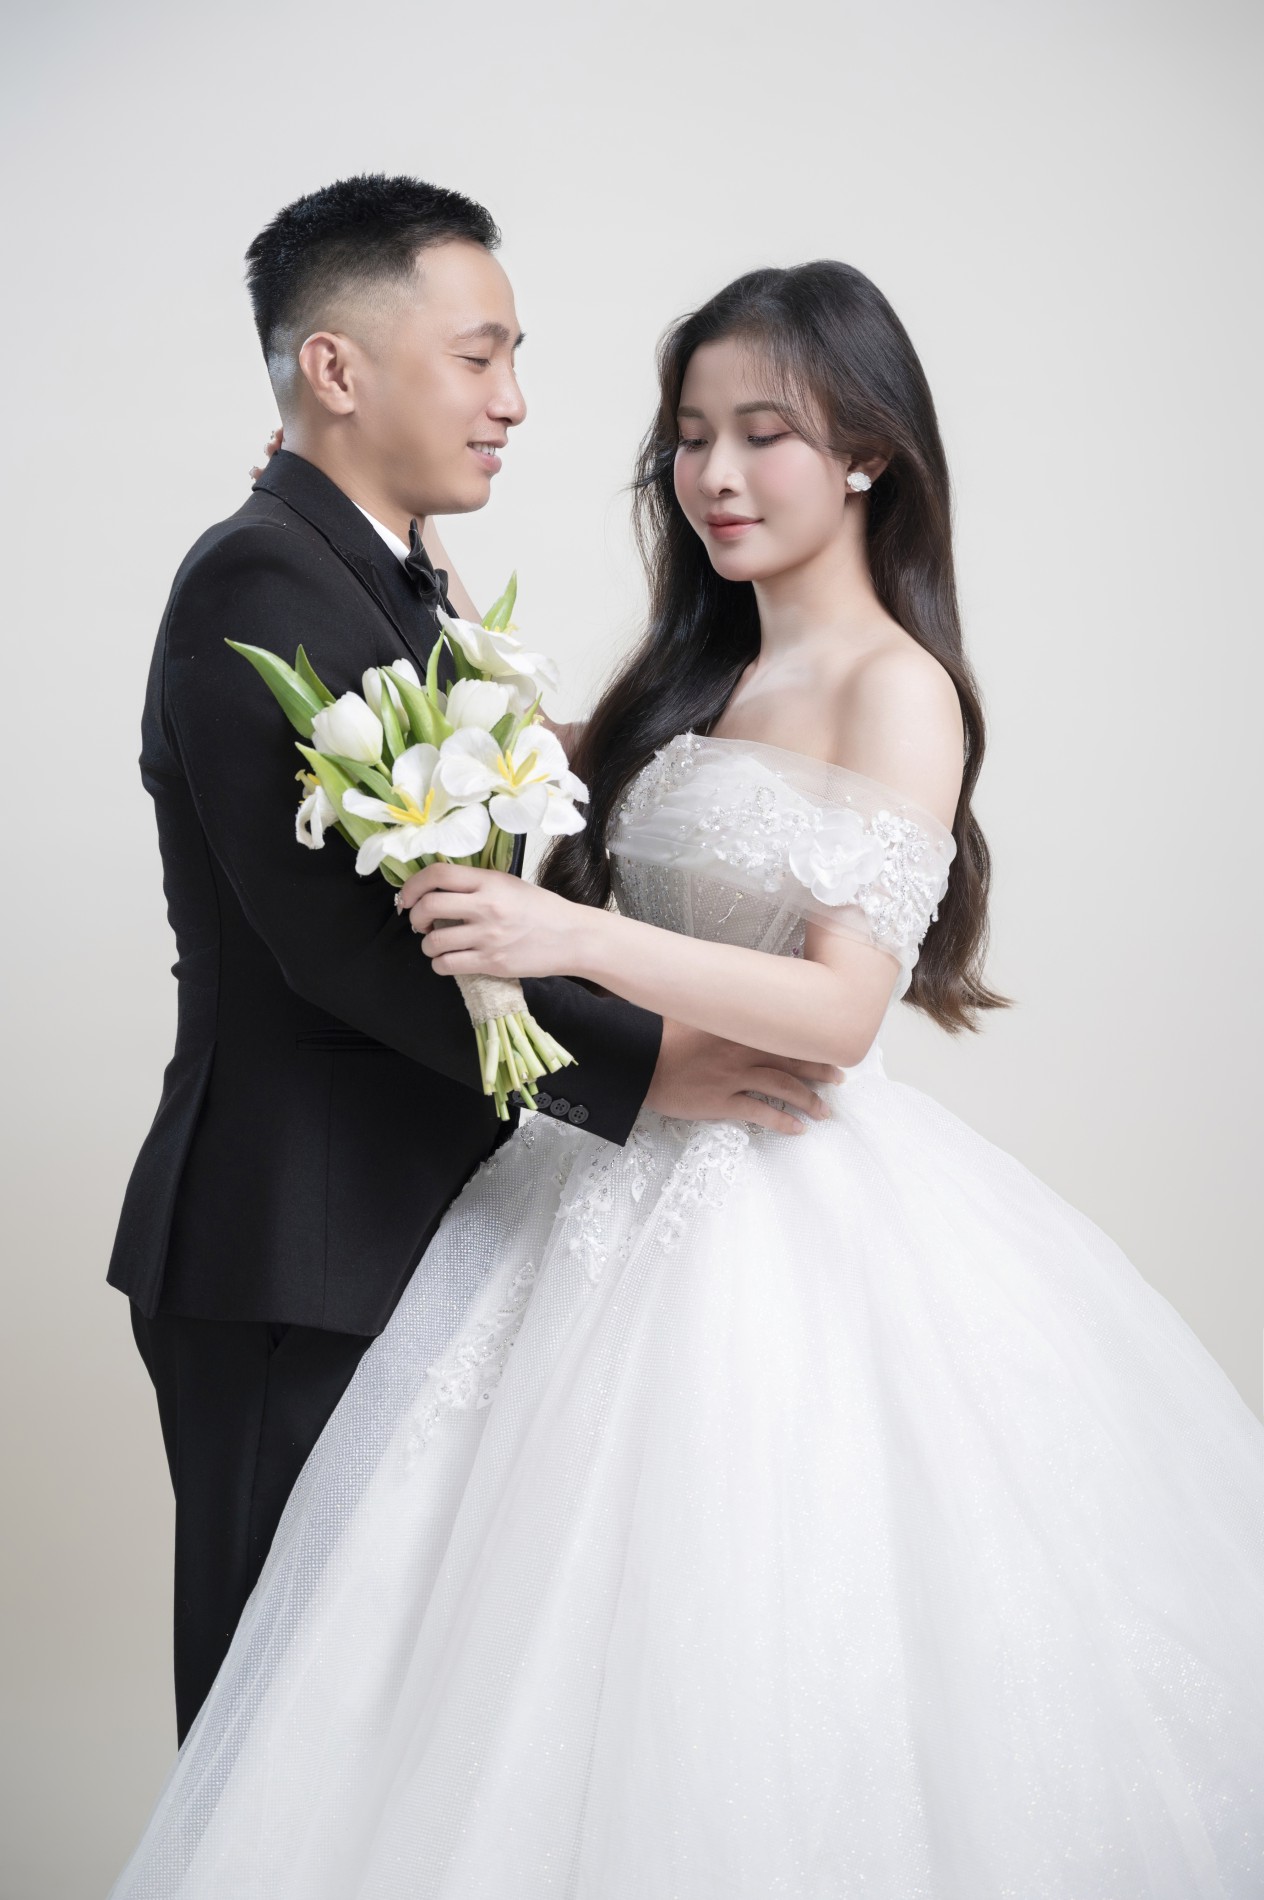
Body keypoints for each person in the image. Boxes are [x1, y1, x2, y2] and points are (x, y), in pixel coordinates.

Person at [111, 261, 1264, 1898]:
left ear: (867, 452)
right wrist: (382, 573)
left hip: (772, 1197)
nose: (715, 475)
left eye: (764, 434)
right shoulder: (689, 677)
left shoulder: (897, 688)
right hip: (576, 1190)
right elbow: (499, 775)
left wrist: (573, 941)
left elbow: (842, 1011)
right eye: (690, 438)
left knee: (741, 1634)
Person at [108, 175, 834, 1746]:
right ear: (337, 368)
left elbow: (486, 823)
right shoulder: (261, 581)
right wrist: (651, 1068)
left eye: (516, 358)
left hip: (405, 1222)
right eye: (480, 355)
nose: (514, 401)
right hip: (293, 1238)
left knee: (384, 1733)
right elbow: (349, 947)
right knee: (273, 1730)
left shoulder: (377, 571)